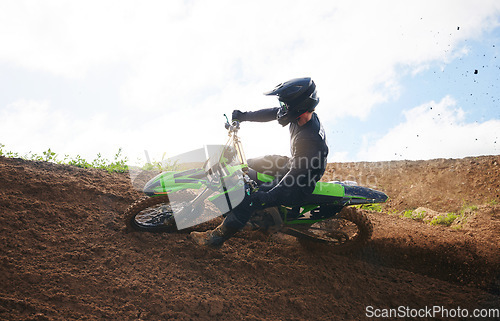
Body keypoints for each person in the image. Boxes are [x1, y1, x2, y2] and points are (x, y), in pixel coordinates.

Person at [191, 77, 329, 247]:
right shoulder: (301, 116)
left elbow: (294, 177)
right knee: (246, 165)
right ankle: (233, 207)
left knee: (250, 199)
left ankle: (213, 239)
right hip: (294, 164)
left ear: (298, 107)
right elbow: (273, 113)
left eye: (285, 104)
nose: (282, 107)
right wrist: (243, 116)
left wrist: (266, 196)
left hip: (299, 182)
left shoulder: (309, 140)